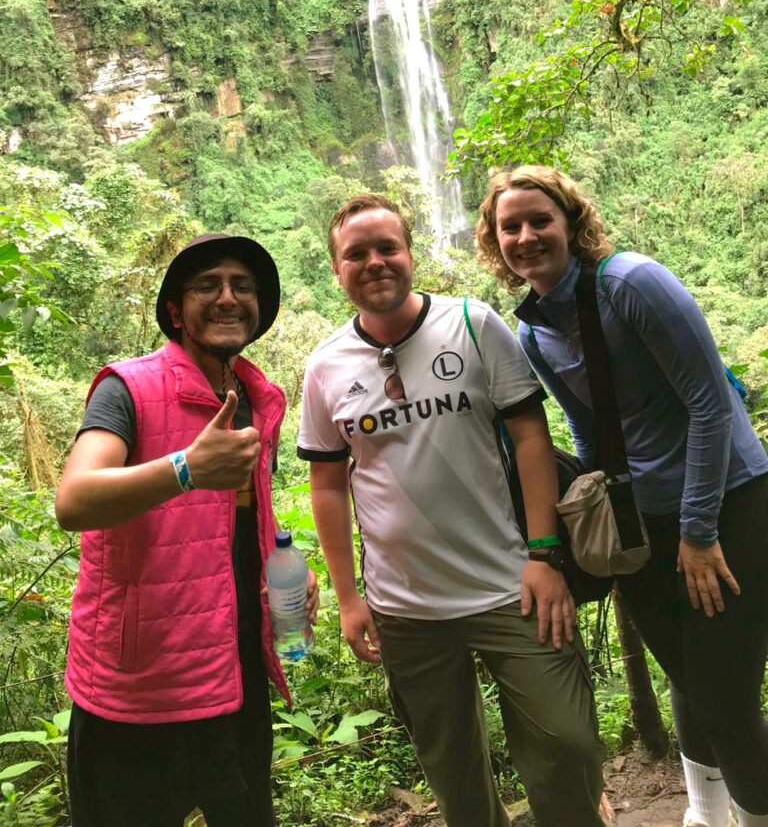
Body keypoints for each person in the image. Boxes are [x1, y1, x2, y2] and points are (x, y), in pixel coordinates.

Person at [297, 194, 606, 827]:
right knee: (451, 769)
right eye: (357, 254)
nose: (375, 262)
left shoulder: (473, 323)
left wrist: (545, 554)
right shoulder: (325, 366)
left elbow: (531, 437)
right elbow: (327, 484)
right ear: (336, 270)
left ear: (410, 254)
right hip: (405, 607)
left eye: (388, 247)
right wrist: (348, 597)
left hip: (511, 583)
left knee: (568, 740)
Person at [476, 166, 768, 827]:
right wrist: (597, 521)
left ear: (571, 223)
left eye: (540, 220)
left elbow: (709, 405)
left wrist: (698, 532)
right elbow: (587, 430)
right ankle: (705, 814)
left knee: (725, 701)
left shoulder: (631, 283)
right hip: (644, 520)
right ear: (495, 243)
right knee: (688, 678)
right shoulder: (533, 332)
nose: (526, 236)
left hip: (727, 504)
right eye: (510, 227)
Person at [56, 233, 319, 827]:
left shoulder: (254, 398)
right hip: (137, 689)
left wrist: (281, 565)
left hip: (234, 675)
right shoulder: (127, 387)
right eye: (208, 285)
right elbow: (73, 500)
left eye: (242, 286)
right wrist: (185, 469)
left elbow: (235, 516)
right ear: (176, 311)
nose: (228, 297)